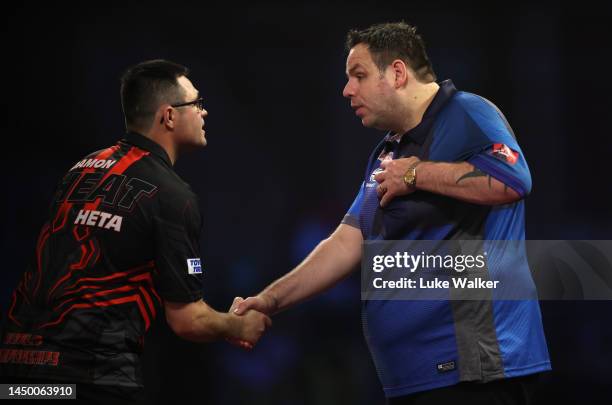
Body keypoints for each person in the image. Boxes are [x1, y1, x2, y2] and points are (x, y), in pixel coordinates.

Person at [234, 22, 551, 404]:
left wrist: (417, 174)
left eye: (359, 76)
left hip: (475, 376)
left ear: (398, 73)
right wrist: (269, 300)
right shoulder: (389, 152)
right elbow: (347, 240)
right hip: (415, 380)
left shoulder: (467, 112)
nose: (347, 90)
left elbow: (514, 180)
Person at [0, 59, 271, 403]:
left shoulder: (79, 170)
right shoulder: (172, 195)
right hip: (91, 378)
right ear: (168, 116)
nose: (204, 112)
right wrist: (239, 325)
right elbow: (188, 320)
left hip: (17, 372)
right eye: (197, 103)